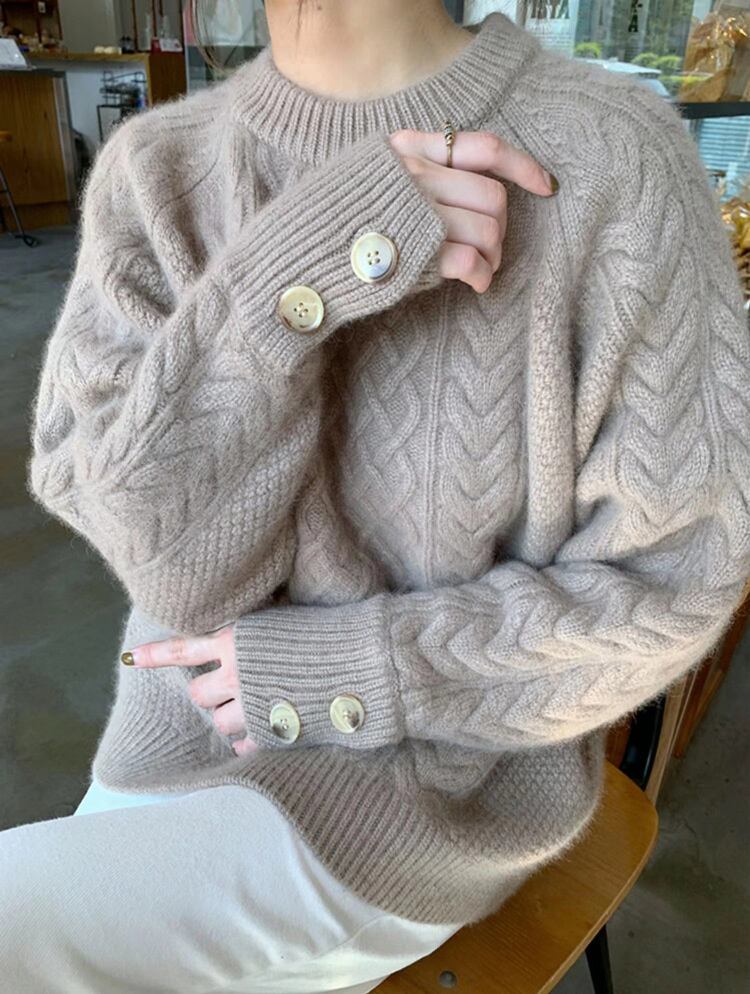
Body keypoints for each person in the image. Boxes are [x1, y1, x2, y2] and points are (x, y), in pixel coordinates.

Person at [6, 0, 750, 992]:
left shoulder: (612, 156)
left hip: (421, 797)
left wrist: (348, 669)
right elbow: (168, 570)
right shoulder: (155, 169)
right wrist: (289, 280)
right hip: (171, 741)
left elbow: (673, 582)